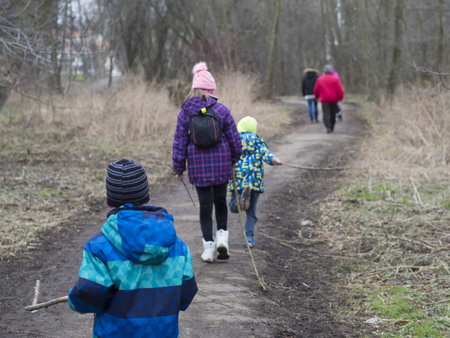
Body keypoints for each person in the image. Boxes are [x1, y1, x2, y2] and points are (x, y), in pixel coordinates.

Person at [68, 158, 197, 338]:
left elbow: (90, 294)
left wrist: (74, 299)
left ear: (109, 202)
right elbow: (185, 296)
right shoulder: (178, 247)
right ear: (146, 198)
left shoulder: (99, 247)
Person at [172, 62, 242, 263]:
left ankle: (209, 247)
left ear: (194, 89)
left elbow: (179, 141)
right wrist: (234, 159)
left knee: (205, 205)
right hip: (221, 164)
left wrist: (179, 167)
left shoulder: (186, 112)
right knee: (220, 201)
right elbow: (235, 140)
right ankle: (222, 237)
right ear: (212, 90)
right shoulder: (221, 110)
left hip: (198, 166)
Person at [229, 116, 282, 247]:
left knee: (233, 207)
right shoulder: (258, 141)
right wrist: (274, 159)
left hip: (239, 180)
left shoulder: (235, 141)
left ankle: (239, 200)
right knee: (251, 212)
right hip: (254, 181)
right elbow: (266, 154)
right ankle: (249, 239)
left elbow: (227, 157)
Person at [314, 65, 345, 134]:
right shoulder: (335, 79)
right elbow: (340, 90)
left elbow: (316, 90)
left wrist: (316, 97)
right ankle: (332, 126)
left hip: (324, 99)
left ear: (324, 71)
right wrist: (341, 98)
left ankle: (328, 126)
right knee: (333, 113)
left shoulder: (320, 79)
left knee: (326, 113)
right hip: (334, 99)